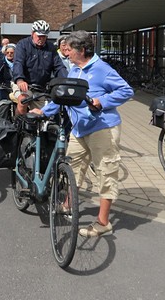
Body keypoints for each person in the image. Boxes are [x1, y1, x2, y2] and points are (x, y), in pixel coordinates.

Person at [31, 30, 133, 238]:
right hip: (78, 129)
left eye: (70, 49)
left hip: (101, 128)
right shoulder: (74, 70)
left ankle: (103, 223)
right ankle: (68, 205)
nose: (66, 53)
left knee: (106, 172)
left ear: (83, 50)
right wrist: (43, 111)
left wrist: (102, 102)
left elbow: (126, 90)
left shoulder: (102, 69)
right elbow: (65, 97)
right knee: (74, 168)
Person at [12, 19, 67, 116]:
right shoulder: (22, 45)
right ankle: (17, 127)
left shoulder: (51, 48)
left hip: (40, 87)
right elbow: (18, 63)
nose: (41, 39)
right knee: (23, 100)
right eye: (39, 36)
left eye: (44, 37)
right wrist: (20, 79)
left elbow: (59, 66)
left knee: (42, 115)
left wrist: (67, 80)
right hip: (24, 83)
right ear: (32, 33)